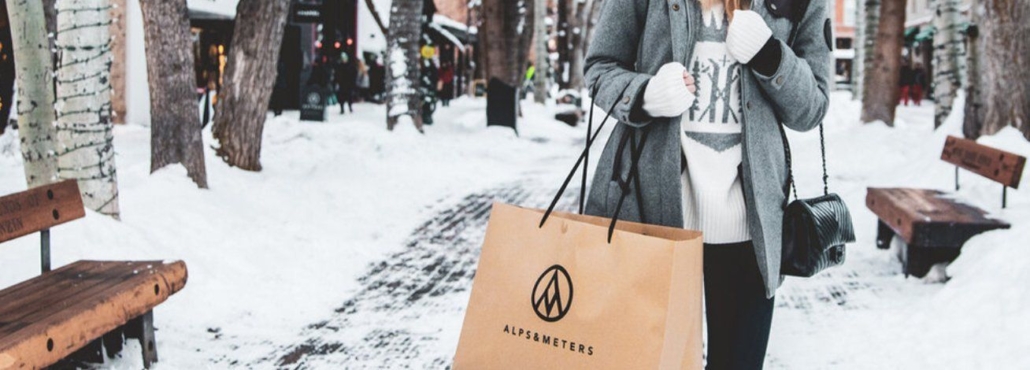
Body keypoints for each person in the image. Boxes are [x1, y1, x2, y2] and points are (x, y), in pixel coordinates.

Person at [583, 0, 830, 369]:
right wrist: (647, 95)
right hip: (649, 215)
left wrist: (770, 55)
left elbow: (812, 107)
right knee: (642, 361)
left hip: (751, 227)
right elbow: (600, 68)